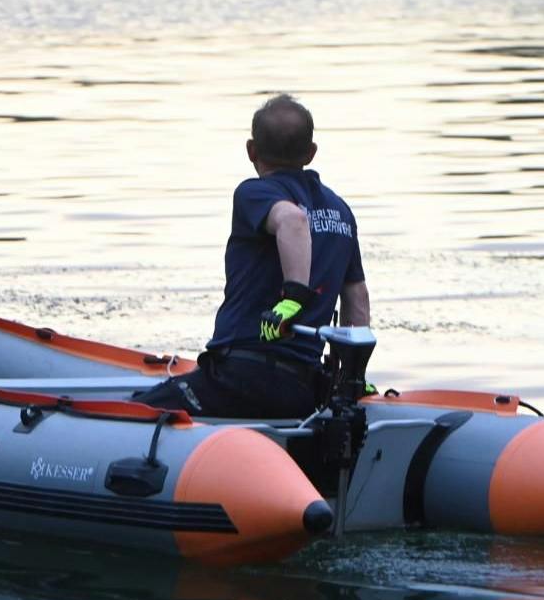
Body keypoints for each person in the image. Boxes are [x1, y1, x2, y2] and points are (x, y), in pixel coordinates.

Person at [135, 95, 369, 418]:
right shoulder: (341, 211)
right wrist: (351, 379)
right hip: (302, 388)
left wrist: (294, 298)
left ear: (251, 150)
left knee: (132, 409)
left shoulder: (254, 193)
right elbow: (357, 298)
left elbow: (293, 221)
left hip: (240, 378)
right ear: (311, 153)